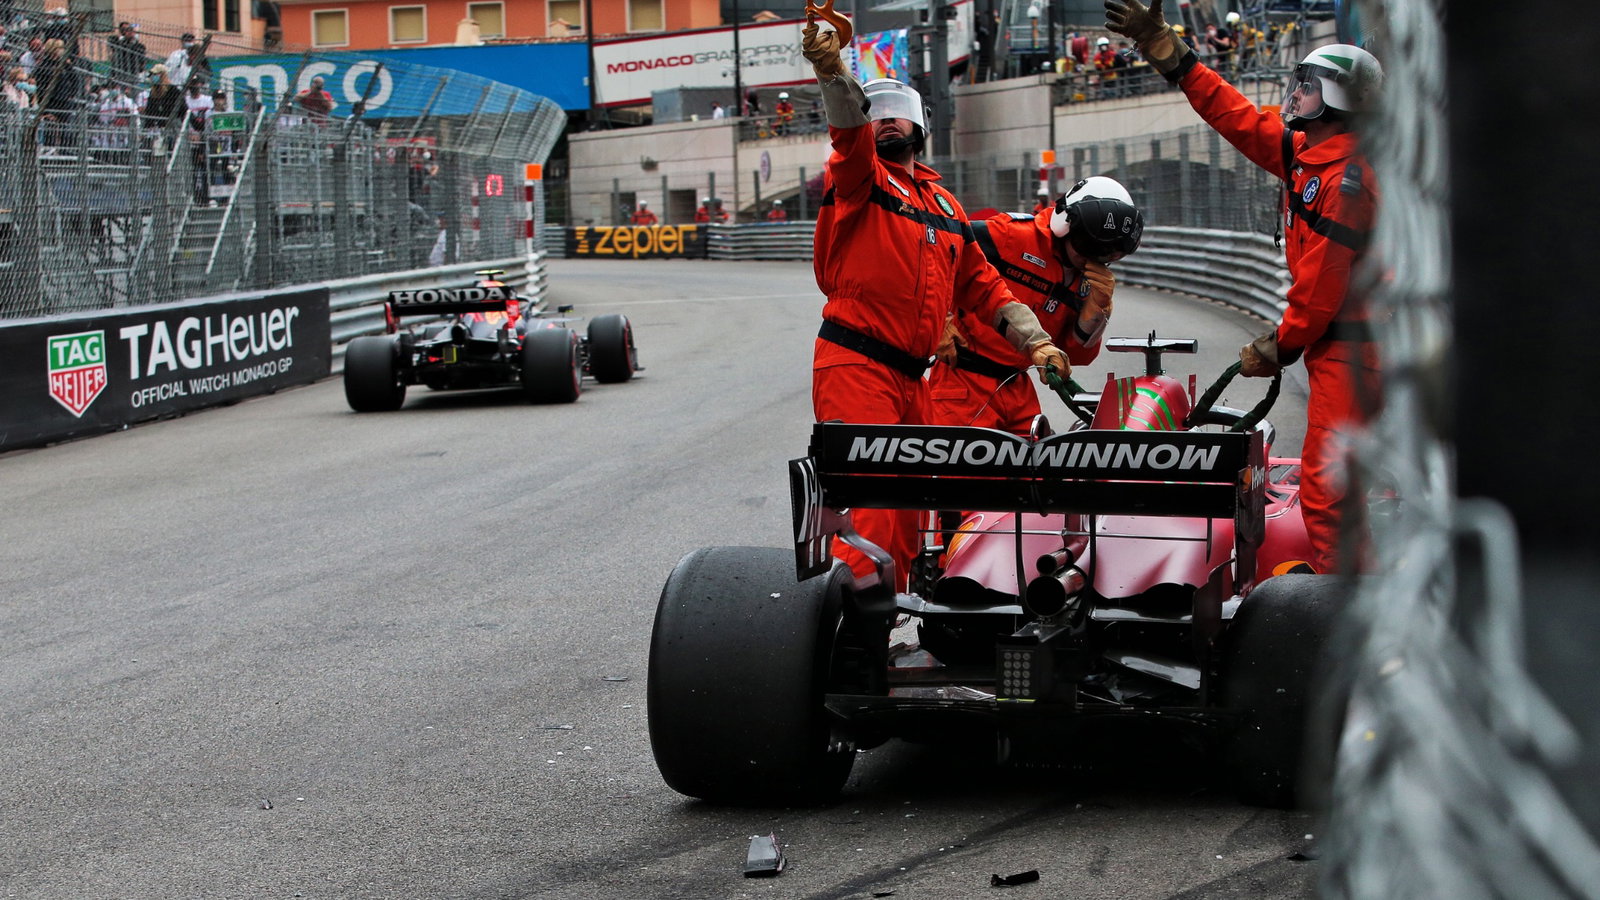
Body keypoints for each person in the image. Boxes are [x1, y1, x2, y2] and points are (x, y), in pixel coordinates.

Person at [1106, 0, 1382, 574]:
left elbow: (1321, 285)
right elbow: (1233, 116)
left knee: (1329, 493)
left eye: (1309, 85)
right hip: (1348, 348)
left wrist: (1280, 345)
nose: (1296, 93)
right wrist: (1174, 57)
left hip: (1357, 352)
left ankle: (1342, 604)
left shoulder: (1346, 182)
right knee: (1347, 485)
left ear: (1340, 99)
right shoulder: (1310, 157)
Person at [801, 19, 1068, 591]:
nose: (885, 120)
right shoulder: (860, 180)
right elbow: (847, 133)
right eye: (876, 112)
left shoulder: (944, 205)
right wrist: (834, 74)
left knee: (907, 516)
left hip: (913, 378)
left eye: (896, 112)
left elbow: (984, 285)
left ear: (919, 125)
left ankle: (882, 625)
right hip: (857, 366)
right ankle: (850, 629)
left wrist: (1037, 343)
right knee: (871, 511)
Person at [928, 177, 1141, 433]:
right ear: (1067, 224)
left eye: (1106, 253)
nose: (1092, 257)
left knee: (1038, 458)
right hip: (962, 385)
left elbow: (1075, 356)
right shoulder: (1011, 235)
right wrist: (937, 319)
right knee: (967, 459)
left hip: (1018, 388)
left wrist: (1097, 311)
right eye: (1089, 245)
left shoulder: (1091, 281)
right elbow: (935, 251)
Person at [107, 21, 146, 88]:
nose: (129, 32)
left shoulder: (139, 46)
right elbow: (111, 41)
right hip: (120, 71)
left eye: (131, 30)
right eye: (126, 30)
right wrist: (122, 36)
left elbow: (141, 58)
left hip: (133, 72)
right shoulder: (119, 42)